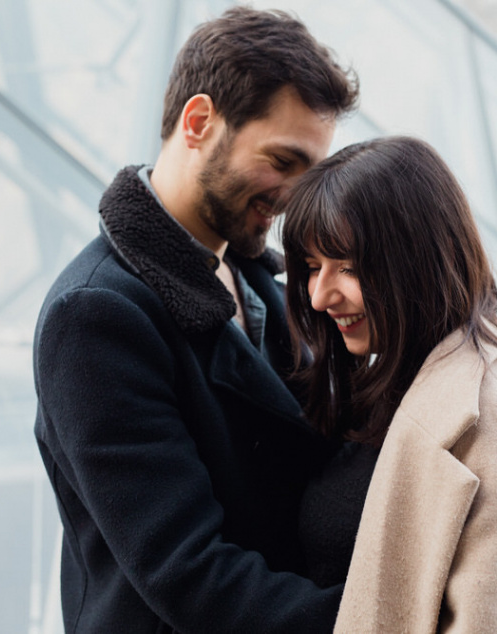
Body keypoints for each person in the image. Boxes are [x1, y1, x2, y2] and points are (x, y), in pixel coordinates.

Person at [32, 7, 358, 632]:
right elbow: (189, 572)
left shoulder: (259, 278)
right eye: (282, 161)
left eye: (308, 172)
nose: (295, 198)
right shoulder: (95, 316)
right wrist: (384, 616)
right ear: (199, 121)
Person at [282, 136, 497, 633]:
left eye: (347, 266)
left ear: (417, 260)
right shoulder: (392, 379)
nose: (321, 296)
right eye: (311, 268)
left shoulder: (489, 418)